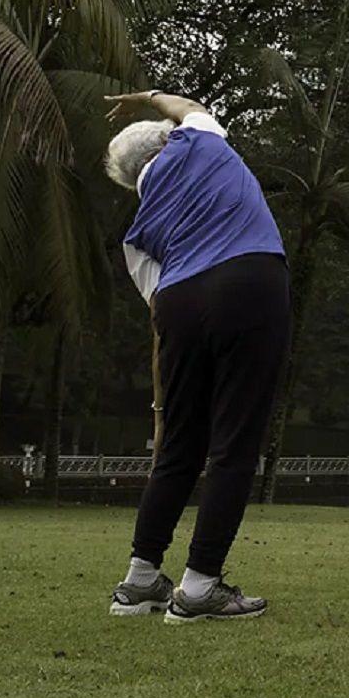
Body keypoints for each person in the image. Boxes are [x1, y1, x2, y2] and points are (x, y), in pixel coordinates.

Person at [101, 89, 290, 623]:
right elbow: (187, 109)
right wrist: (149, 96)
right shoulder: (200, 142)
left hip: (179, 303)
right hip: (249, 280)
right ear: (166, 140)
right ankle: (201, 583)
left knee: (180, 449)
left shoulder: (135, 237)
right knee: (234, 442)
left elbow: (159, 308)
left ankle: (140, 583)